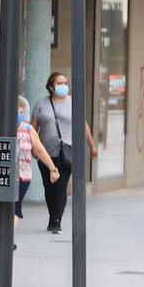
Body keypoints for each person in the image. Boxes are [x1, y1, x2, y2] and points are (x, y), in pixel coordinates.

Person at [32, 71, 97, 234]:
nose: (64, 86)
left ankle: (56, 221)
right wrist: (32, 147)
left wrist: (92, 145)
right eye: (60, 83)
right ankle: (52, 216)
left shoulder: (73, 103)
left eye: (65, 83)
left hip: (67, 152)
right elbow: (33, 127)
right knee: (49, 187)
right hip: (45, 154)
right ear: (51, 86)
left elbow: (84, 126)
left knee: (60, 186)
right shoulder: (41, 104)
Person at [14, 96, 58, 248]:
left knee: (15, 206)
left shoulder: (28, 129)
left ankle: (7, 238)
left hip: (22, 175)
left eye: (21, 111)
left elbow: (39, 149)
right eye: (15, 111)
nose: (19, 114)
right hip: (0, 176)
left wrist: (52, 168)